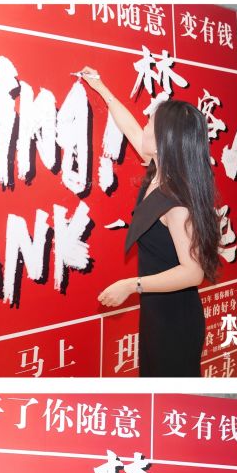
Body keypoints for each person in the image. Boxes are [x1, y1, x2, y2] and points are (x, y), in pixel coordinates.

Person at [79, 68, 220, 376]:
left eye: (149, 124)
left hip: (175, 319)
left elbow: (193, 272)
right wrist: (100, 86)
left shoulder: (177, 202)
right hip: (158, 310)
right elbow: (129, 125)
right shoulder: (159, 171)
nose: (142, 127)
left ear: (162, 141)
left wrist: (132, 285)